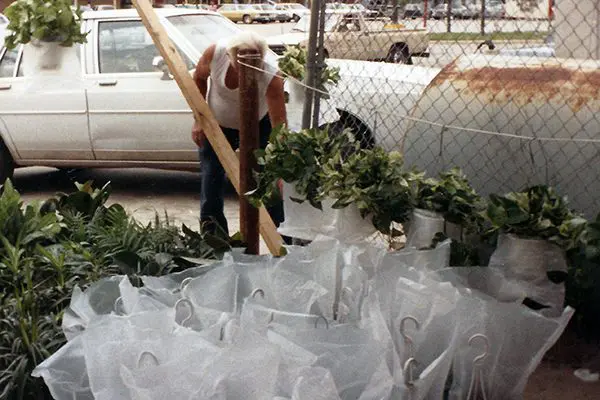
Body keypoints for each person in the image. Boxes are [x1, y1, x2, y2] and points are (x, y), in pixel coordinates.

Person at [192, 32, 287, 236]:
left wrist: (279, 163)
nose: (248, 68)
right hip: (218, 125)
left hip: (258, 125)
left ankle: (281, 238)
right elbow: (198, 79)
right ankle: (213, 240)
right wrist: (199, 120)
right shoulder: (215, 54)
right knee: (211, 180)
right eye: (242, 63)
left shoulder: (271, 75)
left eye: (254, 61)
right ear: (230, 56)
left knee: (267, 181)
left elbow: (279, 125)